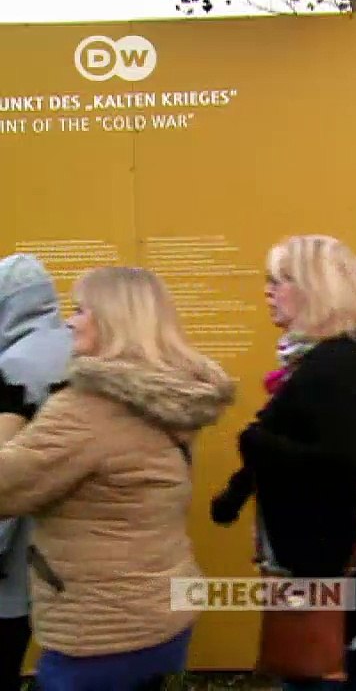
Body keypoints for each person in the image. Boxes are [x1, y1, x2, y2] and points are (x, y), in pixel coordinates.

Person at [0, 266, 235, 691]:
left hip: (101, 630)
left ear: (114, 320)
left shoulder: (87, 408)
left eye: (80, 310)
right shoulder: (168, 394)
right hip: (162, 608)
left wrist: (9, 414)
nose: (69, 322)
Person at [210, 235, 356, 691]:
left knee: (329, 678)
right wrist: (237, 491)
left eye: (280, 281)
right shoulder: (338, 360)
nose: (268, 292)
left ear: (318, 288)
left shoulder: (337, 367)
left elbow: (341, 464)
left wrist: (256, 444)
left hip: (328, 576)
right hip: (332, 576)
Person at [0, 255, 73, 691]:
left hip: (15, 554)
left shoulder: (12, 368)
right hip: (66, 548)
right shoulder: (78, 351)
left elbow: (6, 472)